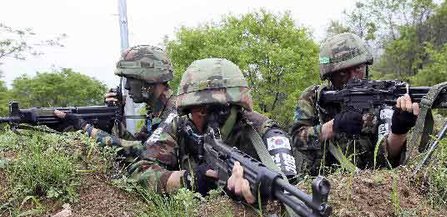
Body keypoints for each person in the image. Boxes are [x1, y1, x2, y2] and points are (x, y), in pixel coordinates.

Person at [129, 57, 297, 202]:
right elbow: (139, 170)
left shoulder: (264, 132)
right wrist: (189, 179)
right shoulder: (180, 123)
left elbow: (290, 187)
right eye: (198, 110)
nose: (215, 117)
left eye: (224, 110)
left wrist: (256, 192)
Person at [291, 33, 419, 174]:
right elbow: (297, 140)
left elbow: (388, 157)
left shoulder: (379, 96)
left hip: (365, 186)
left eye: (358, 68)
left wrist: (400, 130)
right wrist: (334, 126)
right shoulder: (314, 97)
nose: (354, 77)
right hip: (318, 183)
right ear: (330, 75)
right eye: (343, 73)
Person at [54, 45, 176, 157]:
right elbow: (137, 143)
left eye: (131, 79)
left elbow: (144, 153)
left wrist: (86, 128)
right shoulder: (155, 112)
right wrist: (113, 121)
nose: (127, 87)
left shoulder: (175, 113)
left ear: (149, 78)